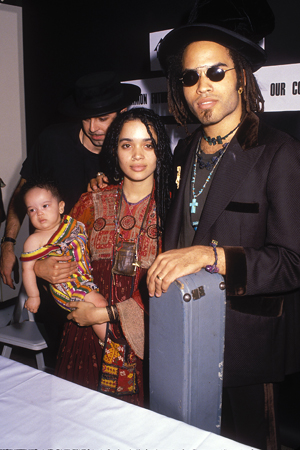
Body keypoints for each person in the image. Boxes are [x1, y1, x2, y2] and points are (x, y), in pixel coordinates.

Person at [146, 1, 300, 449]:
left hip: (247, 347)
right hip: (185, 330)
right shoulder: (186, 149)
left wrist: (211, 256)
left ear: (241, 77)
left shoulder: (279, 152)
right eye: (190, 77)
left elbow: (292, 262)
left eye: (216, 72)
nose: (202, 88)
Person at [54, 107, 172, 406]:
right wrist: (43, 268)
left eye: (148, 144)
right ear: (114, 150)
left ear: (160, 151)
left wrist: (107, 315)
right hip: (85, 333)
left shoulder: (175, 208)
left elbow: (176, 286)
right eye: (126, 144)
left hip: (146, 342)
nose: (137, 155)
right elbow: (61, 256)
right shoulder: (92, 201)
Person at [0, 71, 140, 290]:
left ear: (122, 113)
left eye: (103, 118)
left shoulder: (133, 156)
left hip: (106, 279)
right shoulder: (52, 141)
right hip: (52, 277)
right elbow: (21, 195)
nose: (93, 127)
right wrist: (8, 246)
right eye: (86, 117)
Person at [20, 179, 108, 342]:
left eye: (45, 206)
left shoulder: (70, 223)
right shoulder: (35, 240)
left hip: (85, 275)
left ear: (60, 207)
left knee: (102, 303)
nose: (39, 213)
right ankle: (110, 344)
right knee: (99, 304)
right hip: (68, 285)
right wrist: (34, 296)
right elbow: (27, 269)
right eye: (32, 210)